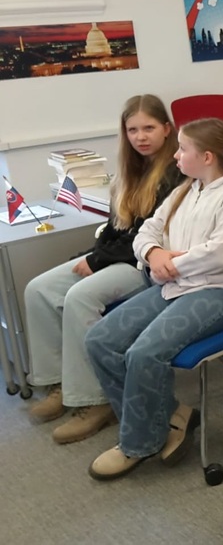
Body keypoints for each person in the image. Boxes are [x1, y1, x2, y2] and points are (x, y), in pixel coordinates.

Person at [84, 119, 223, 481]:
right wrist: (153, 253)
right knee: (100, 340)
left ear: (207, 156)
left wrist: (169, 264)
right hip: (177, 284)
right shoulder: (187, 189)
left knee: (144, 353)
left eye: (182, 149)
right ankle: (169, 415)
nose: (176, 155)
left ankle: (140, 443)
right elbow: (148, 230)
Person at [24, 94, 183, 444]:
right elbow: (115, 228)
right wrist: (92, 255)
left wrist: (96, 261)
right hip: (115, 255)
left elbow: (150, 236)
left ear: (166, 128)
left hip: (145, 264)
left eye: (149, 128)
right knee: (38, 289)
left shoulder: (176, 172)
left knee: (80, 297)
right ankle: (60, 383)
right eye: (132, 130)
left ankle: (95, 400)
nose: (140, 137)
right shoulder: (129, 170)